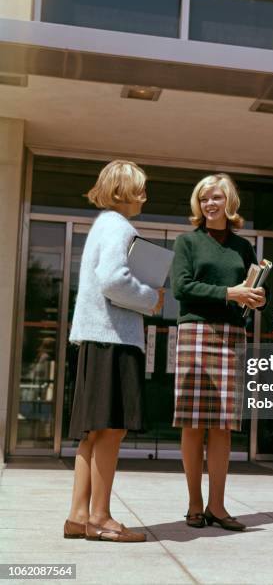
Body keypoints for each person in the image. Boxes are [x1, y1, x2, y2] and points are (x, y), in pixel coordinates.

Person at [64, 160, 164, 542]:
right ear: (123, 190)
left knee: (94, 431)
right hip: (114, 340)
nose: (144, 195)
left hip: (95, 338)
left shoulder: (102, 225)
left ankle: (78, 516)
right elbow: (112, 280)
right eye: (139, 188)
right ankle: (101, 519)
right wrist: (150, 298)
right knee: (112, 430)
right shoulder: (120, 227)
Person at [171, 173, 266, 530]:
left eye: (217, 198)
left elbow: (250, 287)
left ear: (229, 202)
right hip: (195, 333)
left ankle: (218, 506)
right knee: (193, 424)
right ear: (199, 204)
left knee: (223, 427)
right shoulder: (187, 242)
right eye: (205, 198)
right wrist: (230, 293)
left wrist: (257, 297)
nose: (211, 204)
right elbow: (181, 287)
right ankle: (195, 504)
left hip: (232, 336)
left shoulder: (243, 247)